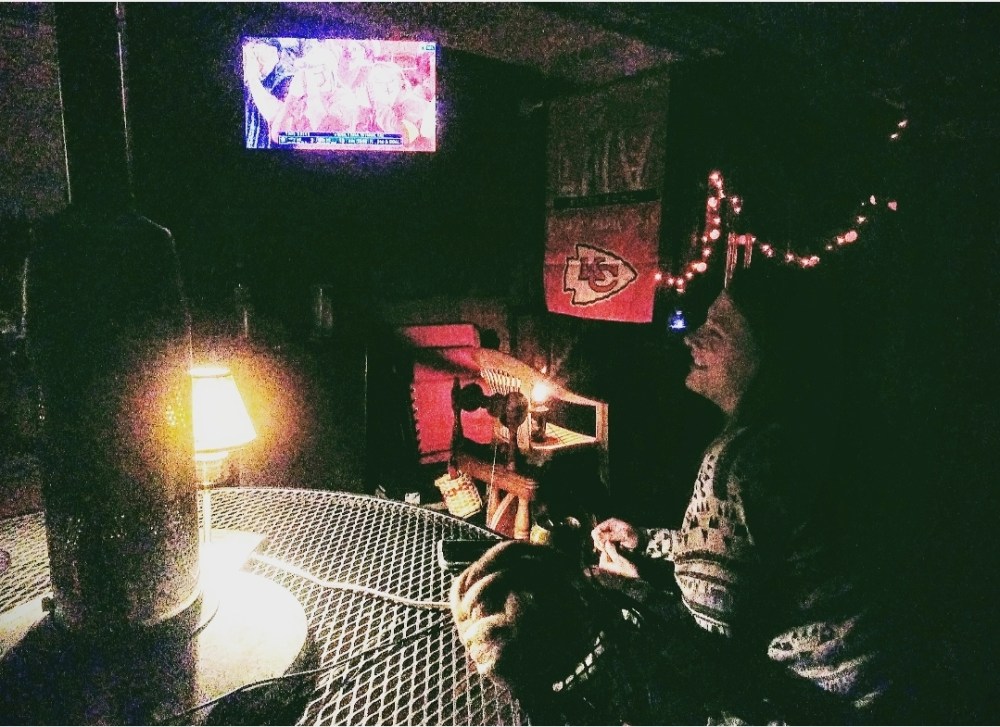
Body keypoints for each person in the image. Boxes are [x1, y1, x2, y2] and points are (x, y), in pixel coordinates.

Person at [452, 263, 905, 724]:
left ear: (774, 354)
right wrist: (646, 540)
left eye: (718, 330)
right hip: (872, 691)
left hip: (805, 706)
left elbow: (703, 650)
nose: (692, 339)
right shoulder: (809, 436)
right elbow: (746, 552)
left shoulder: (738, 464)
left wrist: (629, 586)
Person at [243, 39, 294, 149]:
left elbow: (279, 118)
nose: (257, 61)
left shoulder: (286, 78)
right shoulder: (246, 83)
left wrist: (253, 78)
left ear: (279, 55)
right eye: (254, 55)